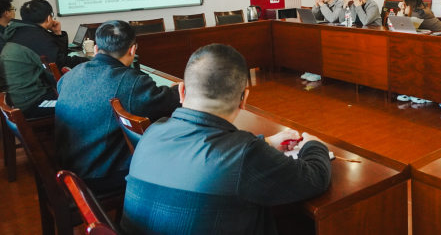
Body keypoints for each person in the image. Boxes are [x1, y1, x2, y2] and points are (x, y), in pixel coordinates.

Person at [121, 44, 331, 235]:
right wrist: (314, 145)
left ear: (182, 91)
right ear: (244, 99)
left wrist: (265, 143)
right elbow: (315, 178)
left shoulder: (152, 132)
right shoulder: (244, 153)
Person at [54, 20, 180, 193]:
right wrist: (178, 89)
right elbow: (167, 102)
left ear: (96, 49)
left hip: (68, 170)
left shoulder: (71, 73)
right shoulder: (133, 82)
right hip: (99, 176)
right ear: (133, 50)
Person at [4, 0, 88, 68]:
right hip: (33, 82)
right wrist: (90, 60)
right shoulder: (37, 36)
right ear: (48, 18)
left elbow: (58, 56)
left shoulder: (20, 30)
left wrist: (57, 33)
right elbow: (60, 63)